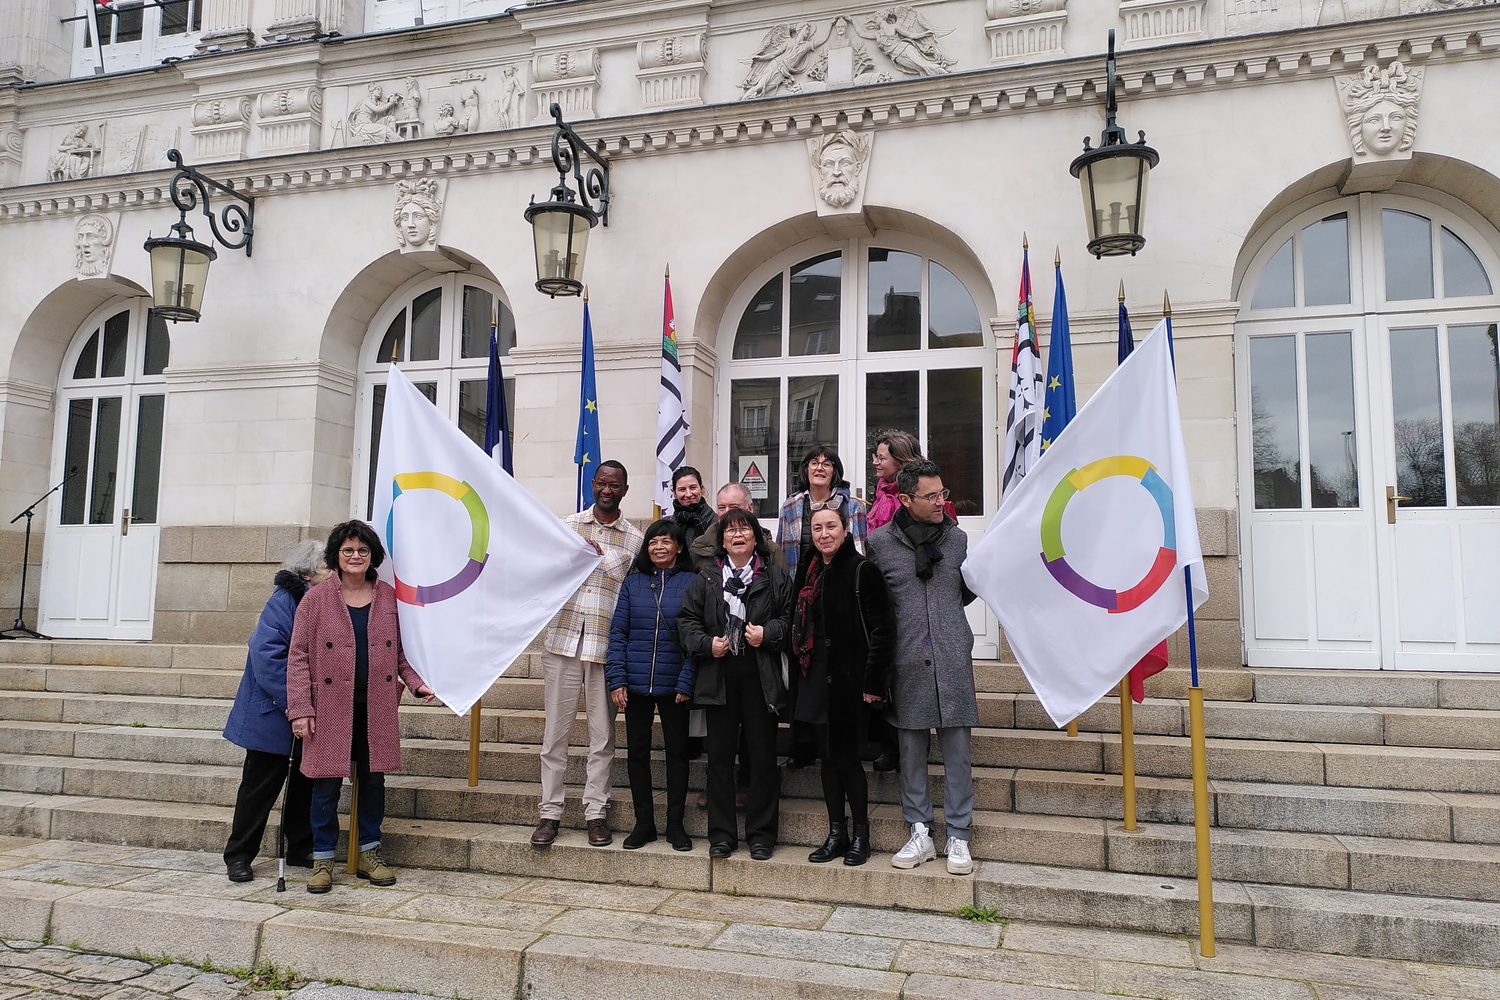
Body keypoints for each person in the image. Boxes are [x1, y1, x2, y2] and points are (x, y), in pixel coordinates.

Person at [286, 522, 435, 894]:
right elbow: (299, 656)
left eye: (363, 551)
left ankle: (370, 852)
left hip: (376, 708)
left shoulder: (387, 596)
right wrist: (300, 708)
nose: (356, 557)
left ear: (373, 557)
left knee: (372, 781)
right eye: (348, 551)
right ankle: (322, 860)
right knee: (325, 787)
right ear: (336, 556)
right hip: (329, 708)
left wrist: (417, 683)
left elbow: (402, 651)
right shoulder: (315, 599)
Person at [867, 460, 978, 876]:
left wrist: (945, 626)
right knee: (911, 752)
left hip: (951, 658)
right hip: (906, 661)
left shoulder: (958, 540)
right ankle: (919, 831)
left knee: (958, 754)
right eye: (931, 497)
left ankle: (959, 836)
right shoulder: (878, 544)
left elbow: (964, 593)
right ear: (905, 499)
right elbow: (877, 605)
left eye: (943, 494)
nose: (940, 502)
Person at [533, 460, 645, 849]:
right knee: (554, 737)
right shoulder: (568, 526)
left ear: (625, 490)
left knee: (602, 738)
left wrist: (601, 556)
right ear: (592, 485)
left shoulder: (634, 539)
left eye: (615, 485)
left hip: (605, 649)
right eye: (601, 483)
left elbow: (634, 594)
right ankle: (550, 813)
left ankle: (596, 812)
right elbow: (545, 571)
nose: (607, 490)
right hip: (562, 642)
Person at [678, 508, 792, 861]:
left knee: (761, 758)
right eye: (731, 531)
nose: (738, 535)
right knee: (720, 760)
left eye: (745, 530)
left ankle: (761, 835)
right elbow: (686, 620)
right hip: (719, 679)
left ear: (756, 538)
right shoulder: (707, 578)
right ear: (722, 540)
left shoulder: (773, 577)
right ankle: (722, 835)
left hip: (761, 678)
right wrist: (705, 644)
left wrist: (768, 633)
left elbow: (790, 620)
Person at [790, 507, 894, 866]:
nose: (823, 534)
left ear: (846, 530)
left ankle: (861, 836)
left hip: (851, 682)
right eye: (817, 528)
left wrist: (873, 683)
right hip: (815, 677)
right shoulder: (811, 568)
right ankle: (837, 833)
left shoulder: (863, 570)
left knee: (848, 760)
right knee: (826, 760)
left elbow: (883, 630)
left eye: (831, 526)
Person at [221, 540, 329, 882]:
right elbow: (267, 655)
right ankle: (239, 854)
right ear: (309, 573)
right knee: (259, 787)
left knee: (304, 784)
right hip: (273, 712)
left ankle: (300, 846)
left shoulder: (324, 600)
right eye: (328, 567)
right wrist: (296, 702)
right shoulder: (284, 601)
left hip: (308, 711)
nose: (333, 573)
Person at [605, 520, 697, 852]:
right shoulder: (632, 584)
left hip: (675, 685)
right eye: (653, 542)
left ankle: (675, 825)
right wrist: (617, 680)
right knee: (637, 755)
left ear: (679, 547)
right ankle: (644, 824)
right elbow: (618, 634)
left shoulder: (692, 582)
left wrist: (687, 679)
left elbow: (695, 637)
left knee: (677, 754)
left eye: (666, 542)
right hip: (636, 683)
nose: (659, 547)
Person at [776, 445, 868, 570]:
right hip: (799, 583)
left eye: (826, 464)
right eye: (814, 463)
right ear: (806, 469)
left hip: (840, 581)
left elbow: (859, 549)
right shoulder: (789, 507)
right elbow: (781, 552)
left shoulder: (853, 506)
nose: (819, 468)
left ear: (834, 471)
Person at [689, 482, 787, 571]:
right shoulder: (700, 547)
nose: (727, 512)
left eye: (734, 507)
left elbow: (782, 587)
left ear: (750, 508)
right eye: (722, 508)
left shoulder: (771, 551)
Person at [669, 467, 717, 553]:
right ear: (675, 493)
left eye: (693, 488)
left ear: (701, 488)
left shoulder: (716, 523)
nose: (688, 494)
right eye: (682, 489)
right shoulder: (667, 524)